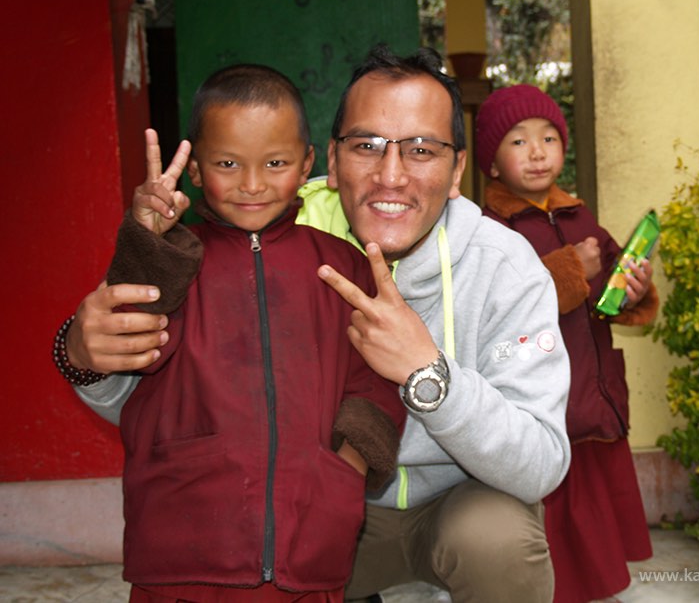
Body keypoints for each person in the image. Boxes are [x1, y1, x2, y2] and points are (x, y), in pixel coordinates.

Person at [55, 46, 572, 602]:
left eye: (421, 149)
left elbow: (540, 464)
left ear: (457, 169)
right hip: (310, 517)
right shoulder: (265, 232)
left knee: (499, 543)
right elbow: (148, 387)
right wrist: (81, 355)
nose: (391, 174)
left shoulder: (505, 266)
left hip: (442, 504)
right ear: (328, 160)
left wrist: (428, 375)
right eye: (367, 146)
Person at [52, 64, 407, 602]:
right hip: (182, 547)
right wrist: (147, 241)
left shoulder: (341, 266)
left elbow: (375, 385)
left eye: (276, 163)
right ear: (194, 167)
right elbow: (129, 341)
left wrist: (342, 474)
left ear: (308, 163)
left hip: (309, 548)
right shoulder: (172, 257)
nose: (252, 184)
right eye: (226, 163)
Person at [474, 84, 658, 602]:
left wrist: (632, 290)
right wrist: (573, 267)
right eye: (518, 141)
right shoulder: (490, 228)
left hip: (590, 393)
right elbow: (502, 309)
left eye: (549, 137)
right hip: (538, 402)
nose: (537, 152)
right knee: (549, 526)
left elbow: (611, 296)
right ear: (491, 162)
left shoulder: (580, 216)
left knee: (595, 519)